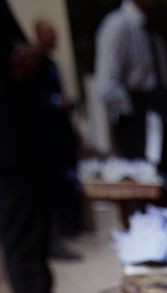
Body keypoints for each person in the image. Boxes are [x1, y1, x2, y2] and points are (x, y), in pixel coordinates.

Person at [0, 1, 90, 293]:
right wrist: (38, 47)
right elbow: (16, 66)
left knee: (38, 232)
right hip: (7, 150)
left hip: (28, 144)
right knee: (20, 235)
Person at [95, 0, 167, 204]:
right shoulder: (118, 27)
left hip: (161, 115)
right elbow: (106, 85)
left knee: (165, 185)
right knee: (143, 191)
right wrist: (137, 112)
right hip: (138, 121)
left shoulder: (152, 33)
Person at [34, 19, 84, 260]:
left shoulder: (51, 65)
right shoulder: (35, 66)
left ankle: (73, 224)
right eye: (51, 35)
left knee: (68, 182)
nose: (55, 40)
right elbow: (38, 102)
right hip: (45, 139)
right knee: (53, 189)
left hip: (61, 134)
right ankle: (57, 238)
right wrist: (57, 103)